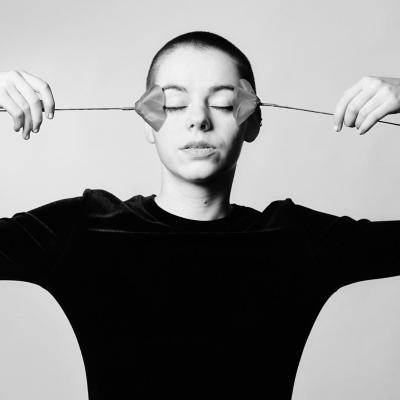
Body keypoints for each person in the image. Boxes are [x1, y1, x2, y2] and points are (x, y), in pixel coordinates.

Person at [1, 30, 400, 399]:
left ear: (254, 122)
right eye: (173, 103)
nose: (198, 119)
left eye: (224, 103)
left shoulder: (296, 239)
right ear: (147, 123)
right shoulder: (84, 229)